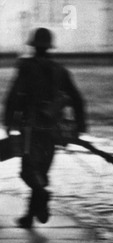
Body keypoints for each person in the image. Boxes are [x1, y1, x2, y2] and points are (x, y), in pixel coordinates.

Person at [3, 28, 87, 229]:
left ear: (33, 47)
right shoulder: (60, 70)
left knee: (27, 172)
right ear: (49, 47)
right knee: (41, 171)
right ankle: (29, 217)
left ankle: (41, 196)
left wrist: (8, 121)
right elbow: (77, 99)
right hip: (52, 131)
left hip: (31, 130)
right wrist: (79, 126)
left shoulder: (26, 67)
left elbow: (13, 96)